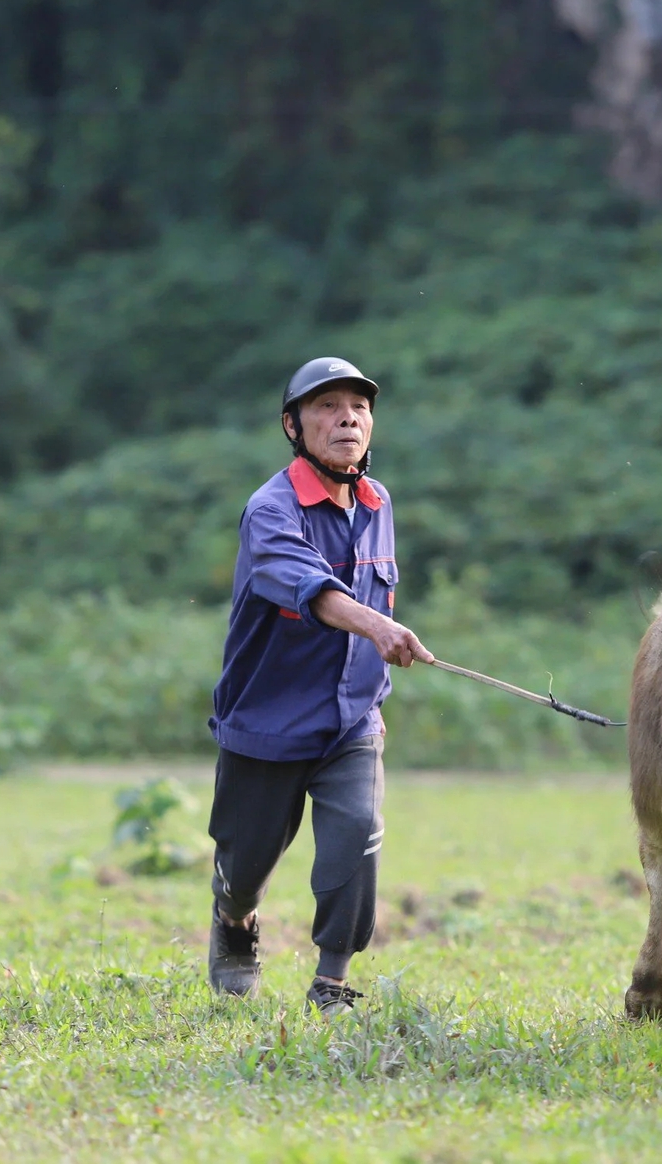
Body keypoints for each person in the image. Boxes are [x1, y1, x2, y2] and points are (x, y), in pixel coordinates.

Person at [205, 357, 434, 1016]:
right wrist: (380, 629)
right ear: (292, 424)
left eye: (358, 407)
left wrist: (378, 696)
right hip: (266, 720)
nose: (347, 418)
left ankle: (332, 982)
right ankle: (235, 923)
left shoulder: (377, 502)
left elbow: (374, 589)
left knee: (357, 835)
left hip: (350, 723)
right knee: (244, 865)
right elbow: (314, 590)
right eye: (328, 407)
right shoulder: (271, 509)